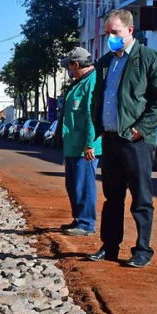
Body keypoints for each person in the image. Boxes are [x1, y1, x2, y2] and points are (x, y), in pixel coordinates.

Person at [89, 10, 157, 268]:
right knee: (112, 198)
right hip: (111, 140)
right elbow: (100, 97)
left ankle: (142, 250)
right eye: (108, 33)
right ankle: (109, 246)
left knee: (141, 199)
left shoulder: (149, 58)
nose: (111, 38)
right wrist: (99, 128)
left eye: (115, 33)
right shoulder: (105, 62)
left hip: (137, 142)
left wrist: (143, 127)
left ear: (130, 30)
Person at [59, 47, 101, 237]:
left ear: (76, 64)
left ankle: (86, 223)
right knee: (73, 185)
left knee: (84, 185)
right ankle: (78, 218)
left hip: (84, 147)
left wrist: (90, 143)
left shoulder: (92, 82)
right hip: (73, 145)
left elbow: (92, 115)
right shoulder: (79, 83)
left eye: (69, 65)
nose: (68, 70)